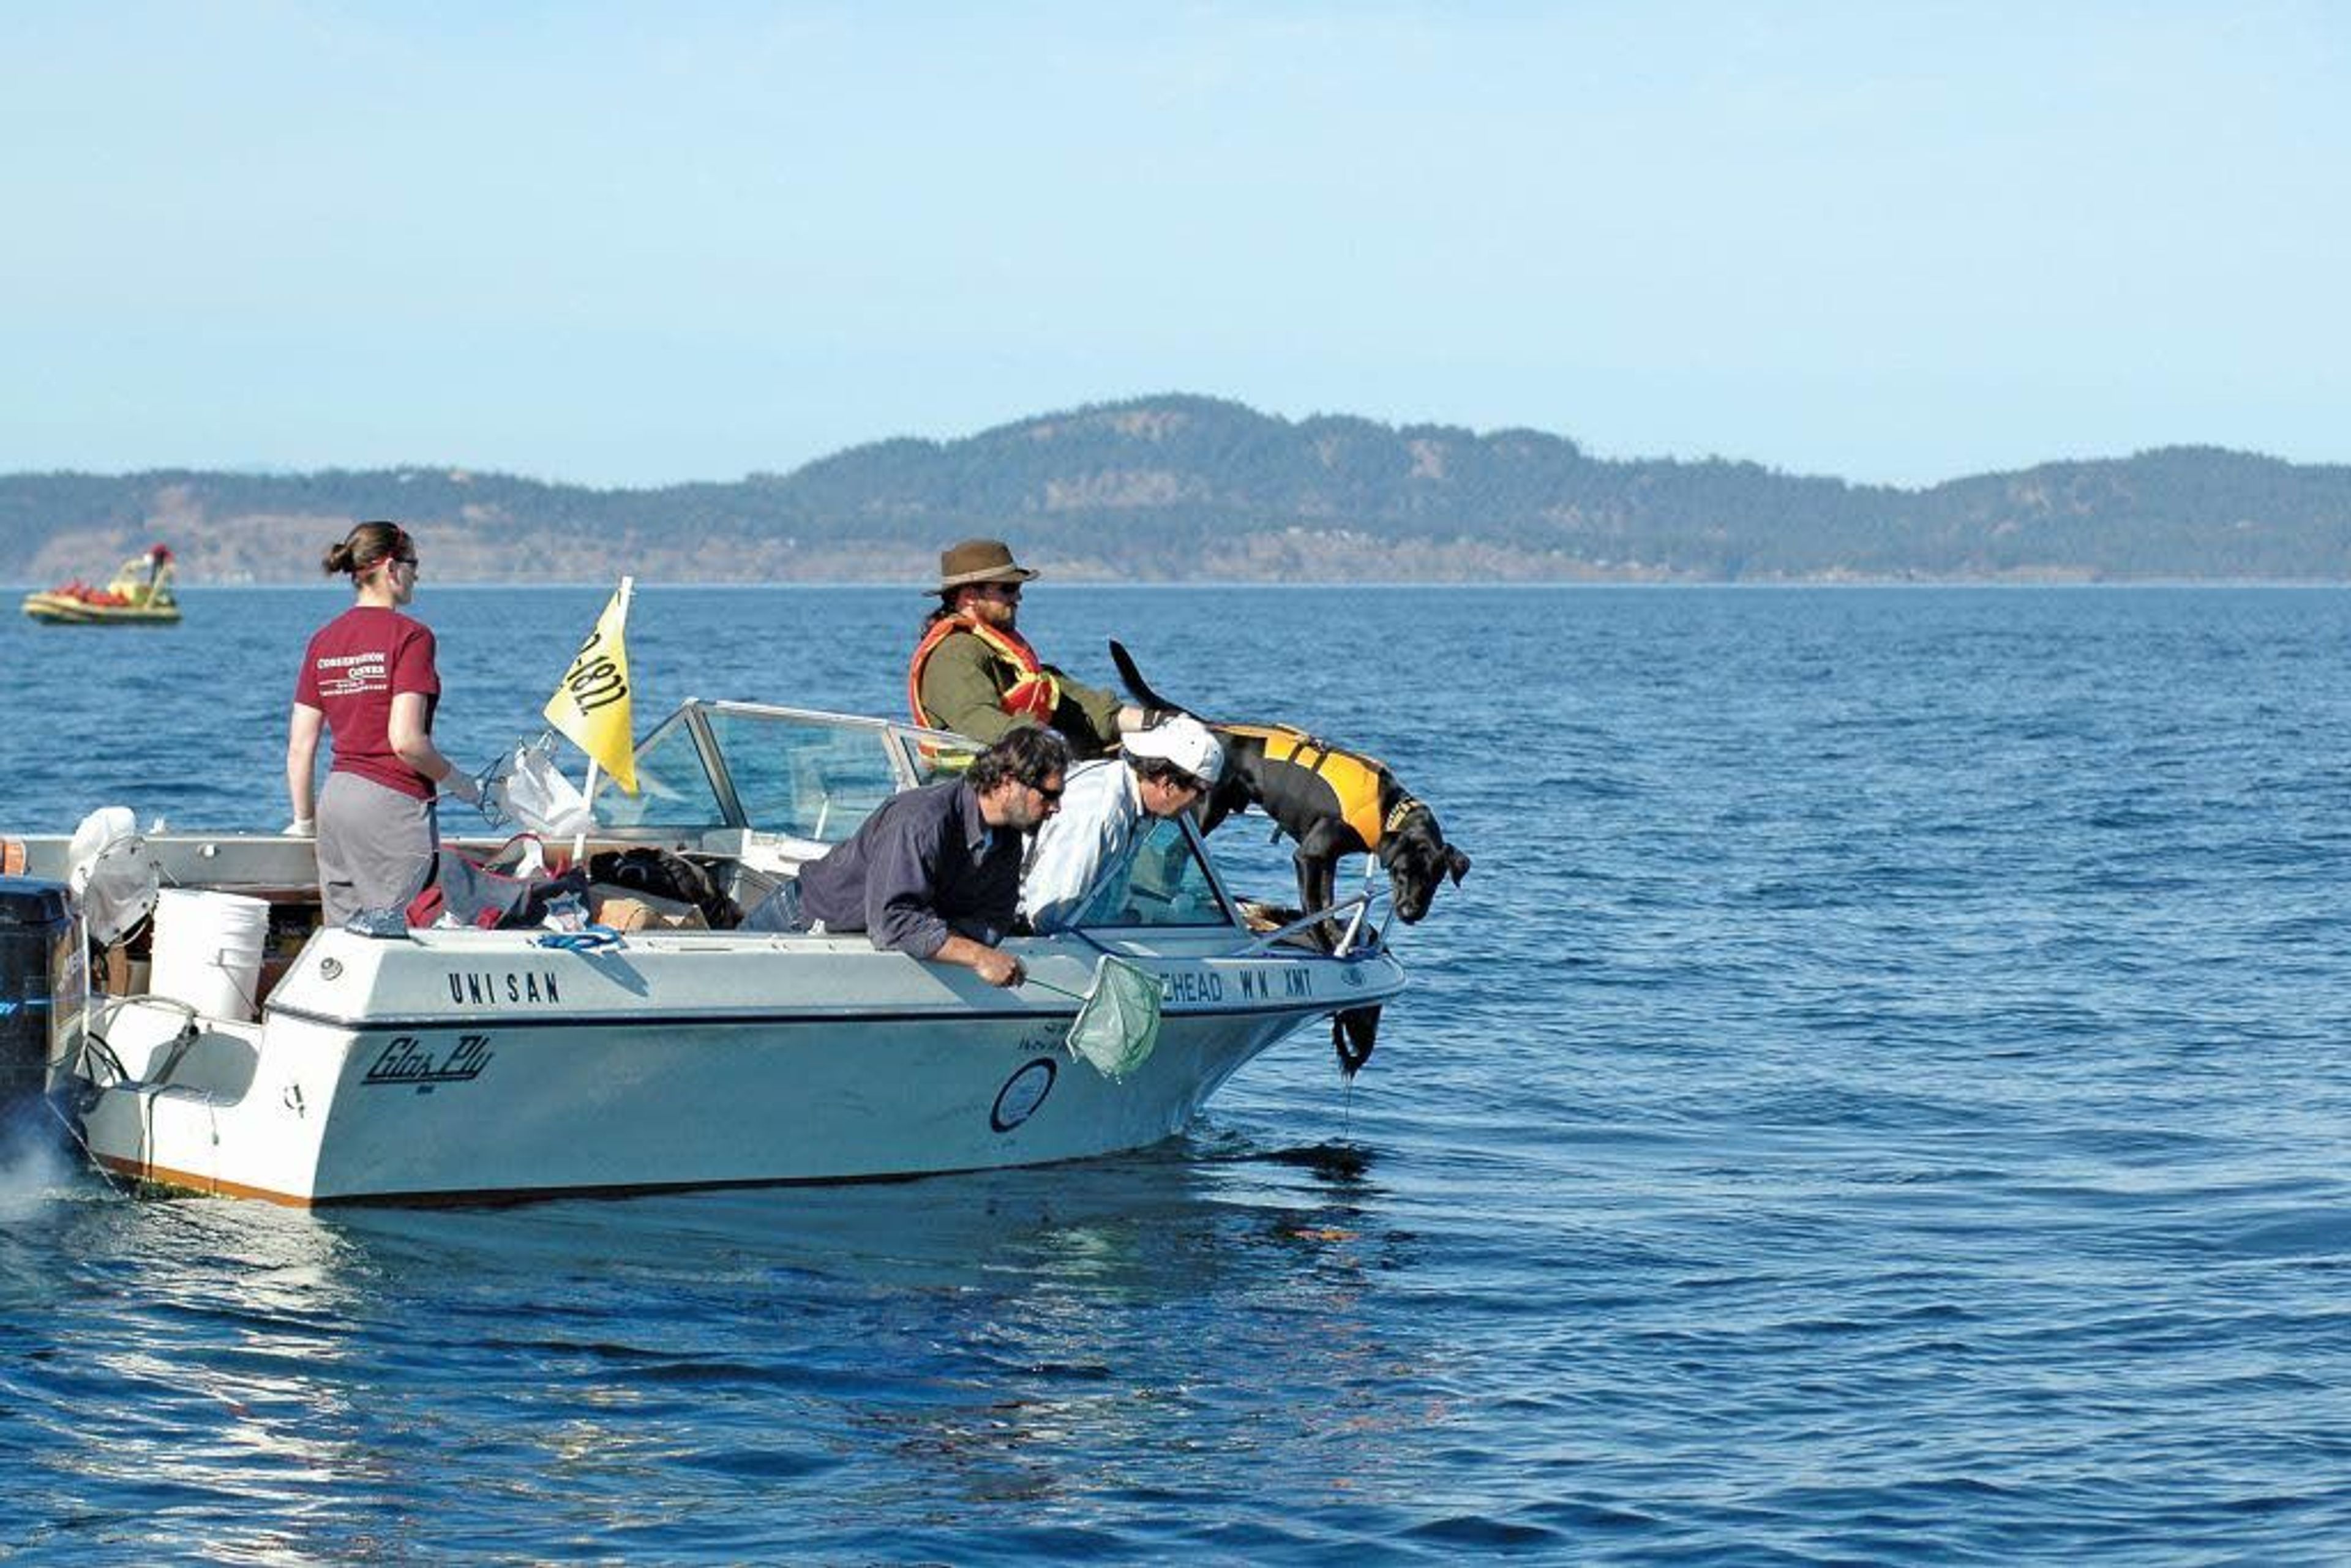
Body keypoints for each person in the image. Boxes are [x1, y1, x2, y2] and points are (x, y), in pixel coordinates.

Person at [285, 521, 479, 925]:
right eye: (413, 563)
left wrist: (305, 822)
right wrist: (462, 784)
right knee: (404, 938)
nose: (417, 574)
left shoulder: (324, 640)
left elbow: (301, 748)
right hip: (391, 807)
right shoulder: (412, 637)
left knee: (345, 945)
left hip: (336, 805)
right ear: (391, 568)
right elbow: (407, 741)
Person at [793, 727, 1071, 988]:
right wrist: (978, 956)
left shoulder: (1006, 835)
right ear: (1009, 783)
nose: (1056, 807)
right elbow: (892, 921)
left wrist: (962, 945)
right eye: (1049, 795)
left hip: (865, 942)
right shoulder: (921, 821)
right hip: (803, 924)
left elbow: (995, 916)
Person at [907, 538, 1157, 758]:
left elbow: (1066, 697)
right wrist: (1054, 743)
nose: (1018, 598)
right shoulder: (953, 655)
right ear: (970, 596)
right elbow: (979, 720)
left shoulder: (996, 652)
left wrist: (1149, 722)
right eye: (1008, 589)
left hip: (1014, 778)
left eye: (1018, 588)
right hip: (965, 791)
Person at [1019, 715, 1224, 933]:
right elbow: (1050, 915)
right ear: (1168, 785)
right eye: (1201, 792)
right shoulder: (1098, 813)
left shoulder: (1130, 797)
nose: (1202, 802)